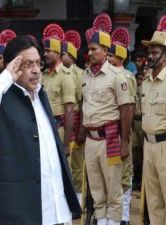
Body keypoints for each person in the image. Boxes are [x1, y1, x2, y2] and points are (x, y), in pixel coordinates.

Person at [0, 35, 81, 225]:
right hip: (19, 211)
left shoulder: (41, 95)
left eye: (38, 63)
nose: (36, 70)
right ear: (12, 66)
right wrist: (5, 77)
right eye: (28, 64)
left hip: (56, 209)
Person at [83, 14, 130, 225]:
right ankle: (101, 221)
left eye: (94, 49)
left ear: (105, 50)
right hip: (91, 140)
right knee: (96, 188)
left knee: (113, 189)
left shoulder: (117, 75)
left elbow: (127, 110)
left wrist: (125, 143)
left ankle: (113, 222)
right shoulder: (85, 75)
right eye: (89, 49)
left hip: (110, 138)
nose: (90, 52)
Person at [107, 27, 137, 225]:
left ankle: (124, 216)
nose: (108, 58)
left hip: (121, 131)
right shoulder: (108, 75)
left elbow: (130, 108)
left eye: (111, 55)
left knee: (124, 173)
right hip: (107, 133)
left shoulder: (126, 76)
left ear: (120, 58)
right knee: (110, 174)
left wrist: (125, 138)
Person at [140, 15, 166, 225]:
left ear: (165, 57)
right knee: (153, 199)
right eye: (149, 51)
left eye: (155, 52)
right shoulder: (146, 82)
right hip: (148, 145)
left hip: (165, 146)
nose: (150, 55)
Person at [42, 23, 76, 158]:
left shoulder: (66, 76)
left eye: (48, 51)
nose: (44, 54)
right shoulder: (43, 75)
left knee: (63, 171)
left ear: (57, 52)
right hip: (46, 129)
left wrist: (66, 144)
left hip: (60, 129)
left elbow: (69, 111)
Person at [61, 30, 85, 206]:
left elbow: (83, 103)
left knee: (77, 162)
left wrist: (82, 128)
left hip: (76, 120)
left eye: (64, 54)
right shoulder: (60, 73)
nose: (62, 57)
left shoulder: (80, 74)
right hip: (64, 121)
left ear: (72, 56)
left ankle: (78, 196)